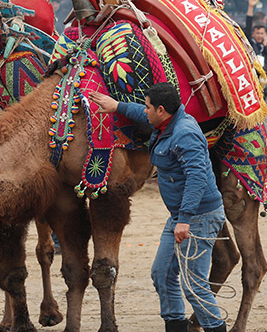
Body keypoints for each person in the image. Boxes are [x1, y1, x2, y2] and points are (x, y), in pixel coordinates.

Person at [89, 83, 227, 332]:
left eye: (148, 106)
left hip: (199, 216)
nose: (145, 110)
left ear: (161, 110)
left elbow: (197, 177)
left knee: (194, 286)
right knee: (162, 274)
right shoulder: (168, 122)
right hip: (181, 215)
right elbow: (141, 114)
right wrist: (117, 106)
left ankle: (215, 327)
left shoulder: (184, 133)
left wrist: (184, 220)